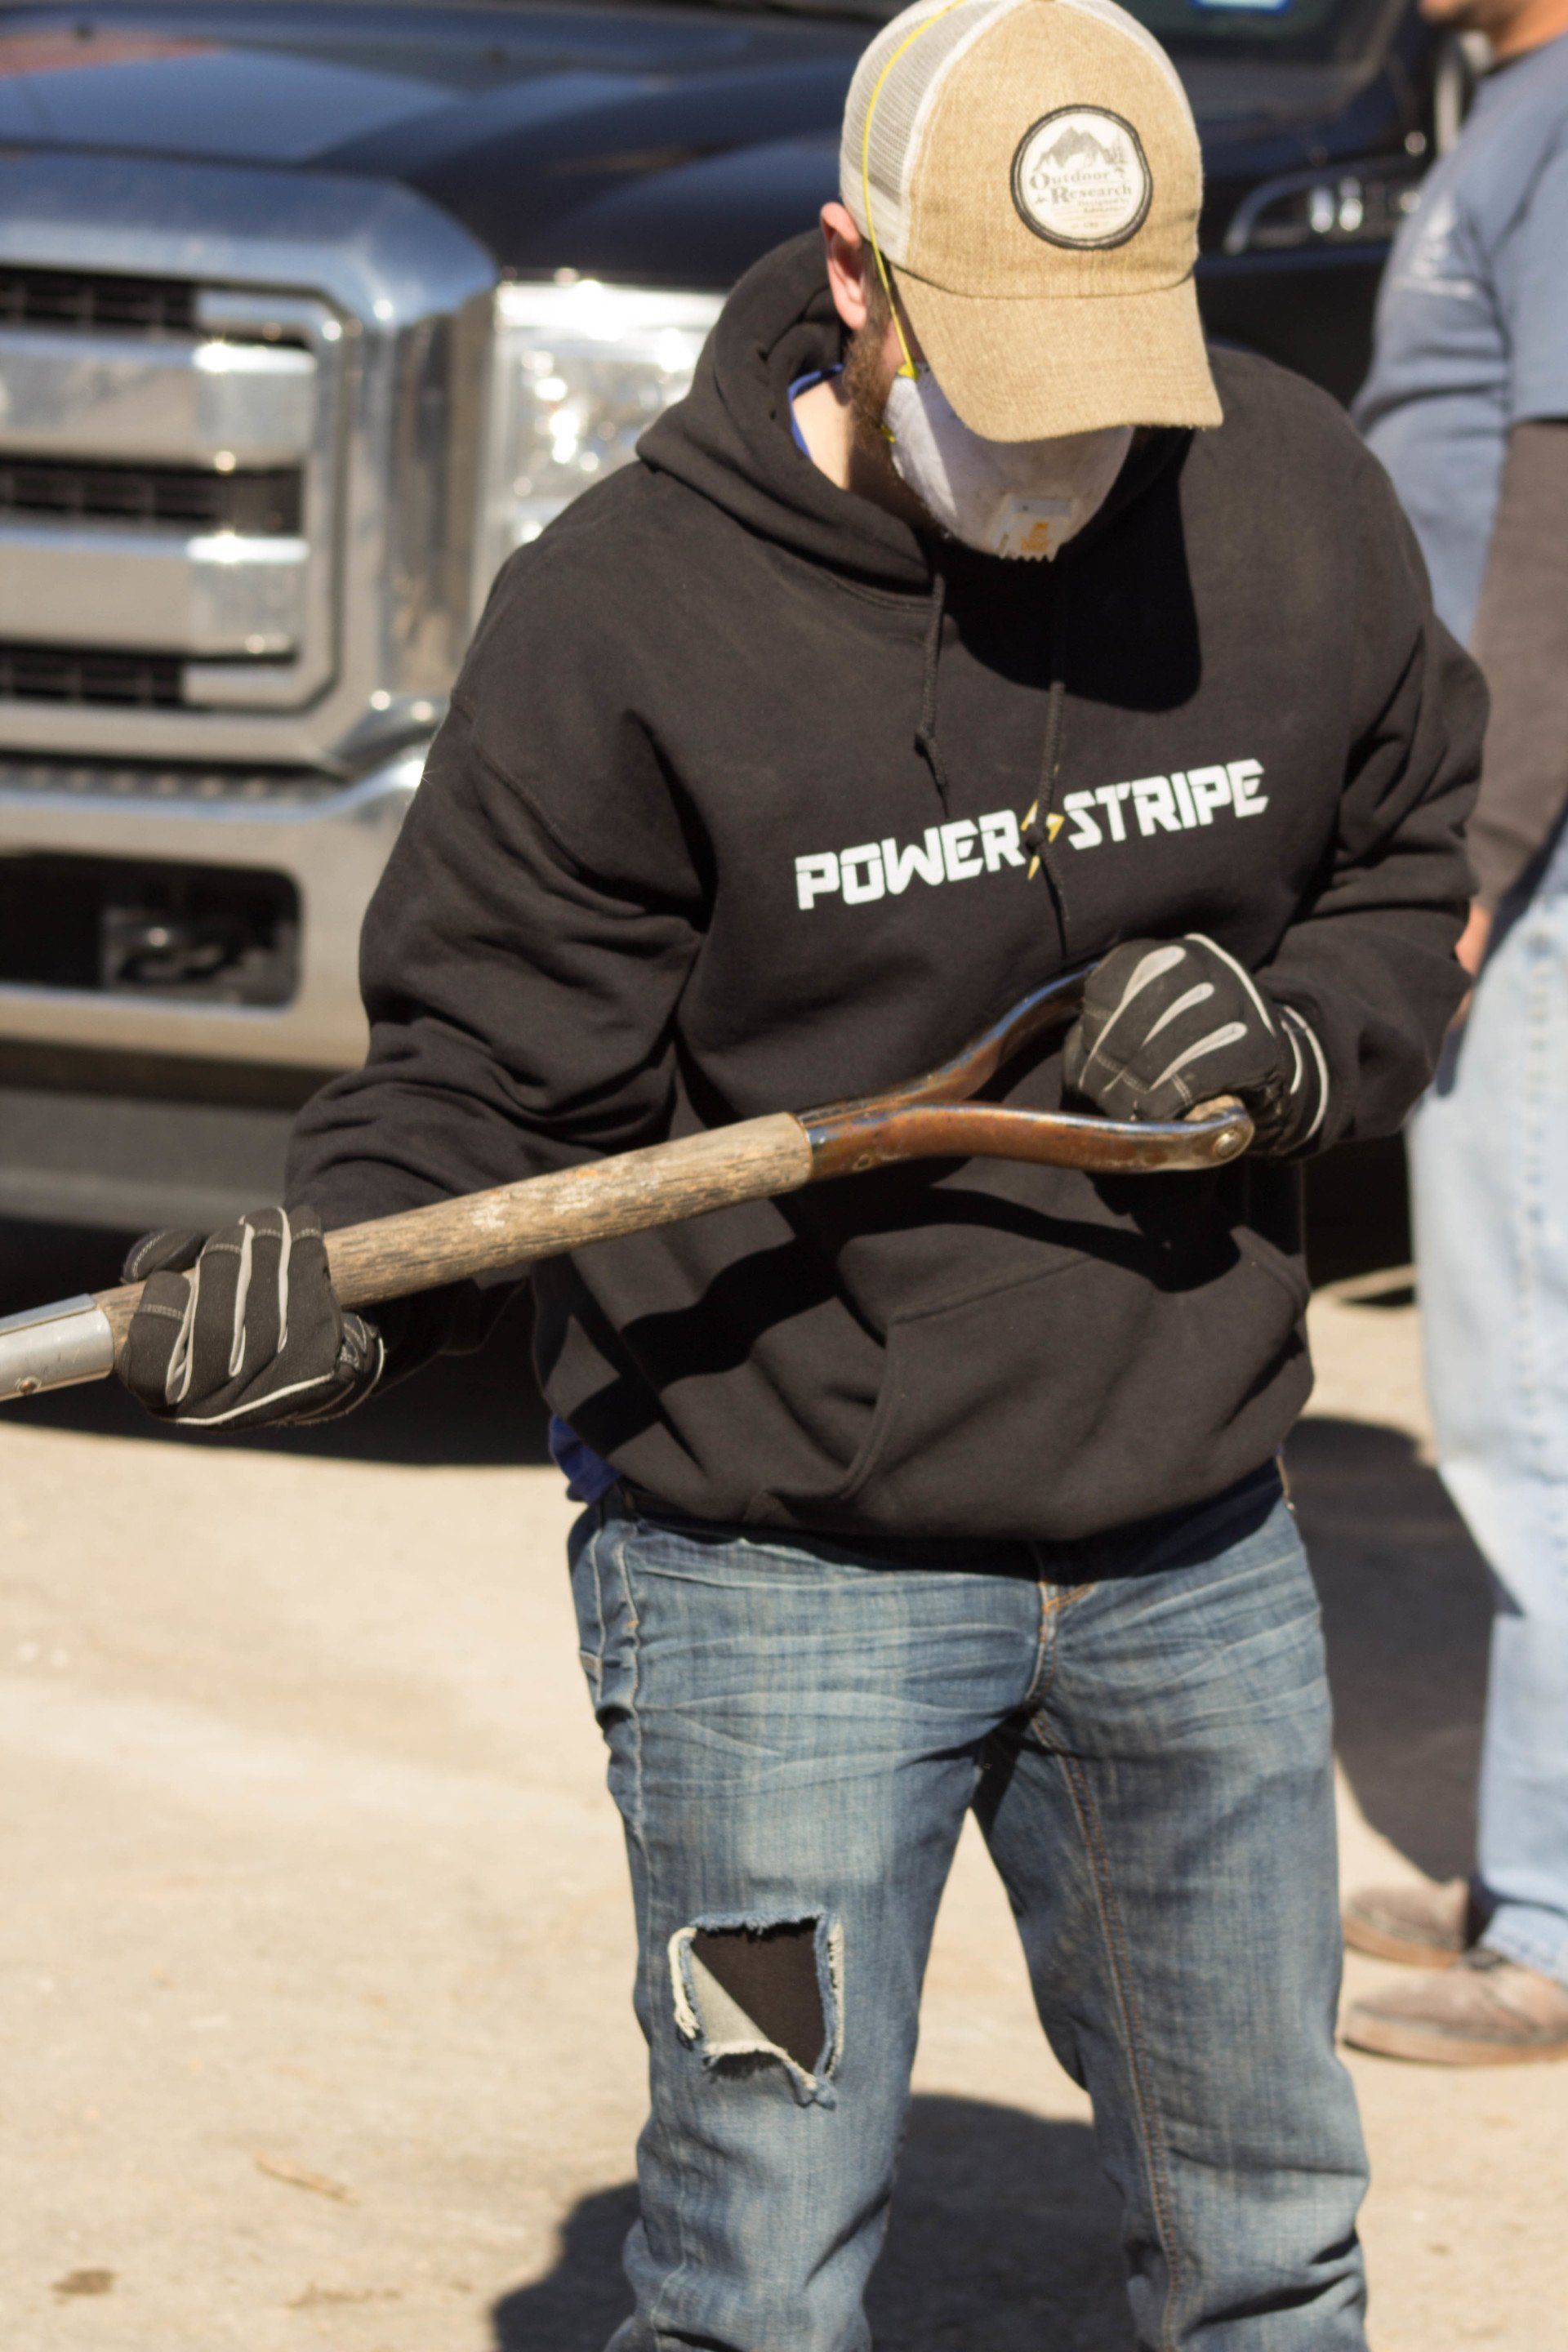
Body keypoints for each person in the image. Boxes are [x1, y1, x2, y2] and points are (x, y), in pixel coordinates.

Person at [114, 0, 1483, 2340]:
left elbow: (1400, 873)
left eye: (1107, 374)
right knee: (755, 2263)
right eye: (1004, 369)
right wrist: (328, 1268)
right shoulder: (628, 621)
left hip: (1193, 1562)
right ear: (851, 273)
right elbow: (486, 1079)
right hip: (778, 1595)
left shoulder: (1286, 499)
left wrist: (1295, 1049)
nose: (1063, 445)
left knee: (1274, 2247)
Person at [1344, 0, 1568, 2066]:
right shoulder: (1506, 108)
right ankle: (1523, 1864)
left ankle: (1560, 1925)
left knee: (1534, 1394)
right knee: (1510, 1382)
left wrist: (1477, 855)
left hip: (1542, 858)